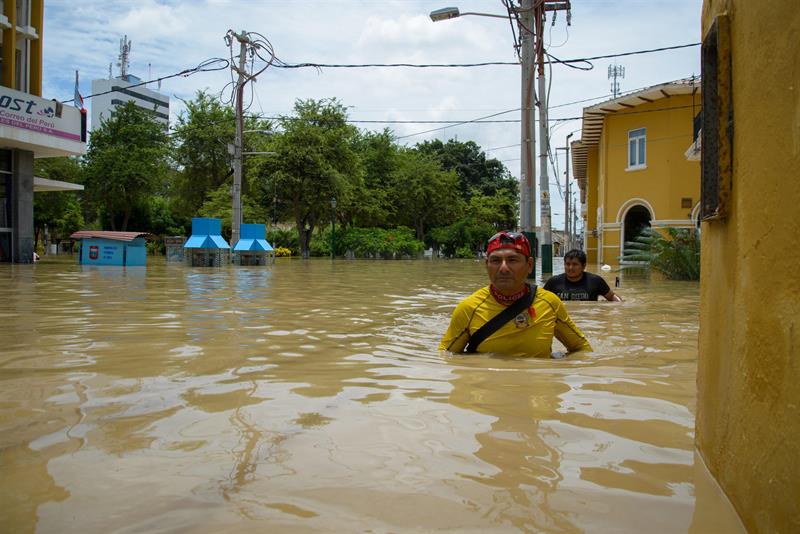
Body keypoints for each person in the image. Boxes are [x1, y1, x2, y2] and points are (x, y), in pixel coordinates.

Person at [439, 231, 592, 358]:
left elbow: (582, 350)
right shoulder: (469, 308)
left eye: (512, 260)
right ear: (487, 265)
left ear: (530, 265)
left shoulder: (550, 303)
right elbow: (445, 356)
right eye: (496, 260)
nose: (503, 268)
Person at [544, 249, 621, 301]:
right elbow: (540, 300)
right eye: (567, 264)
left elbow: (611, 297)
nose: (570, 268)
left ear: (583, 266)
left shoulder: (595, 281)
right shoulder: (553, 282)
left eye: (575, 264)